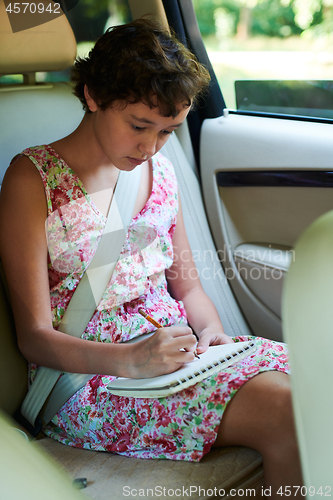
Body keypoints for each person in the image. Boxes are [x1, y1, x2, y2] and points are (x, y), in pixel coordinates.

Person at [0, 19, 302, 497]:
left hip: (177, 357)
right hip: (90, 382)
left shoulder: (160, 171)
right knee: (288, 412)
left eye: (167, 132)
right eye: (139, 126)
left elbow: (188, 288)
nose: (149, 147)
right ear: (94, 95)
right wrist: (131, 360)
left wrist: (210, 334)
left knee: (318, 380)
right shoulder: (32, 179)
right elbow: (34, 338)